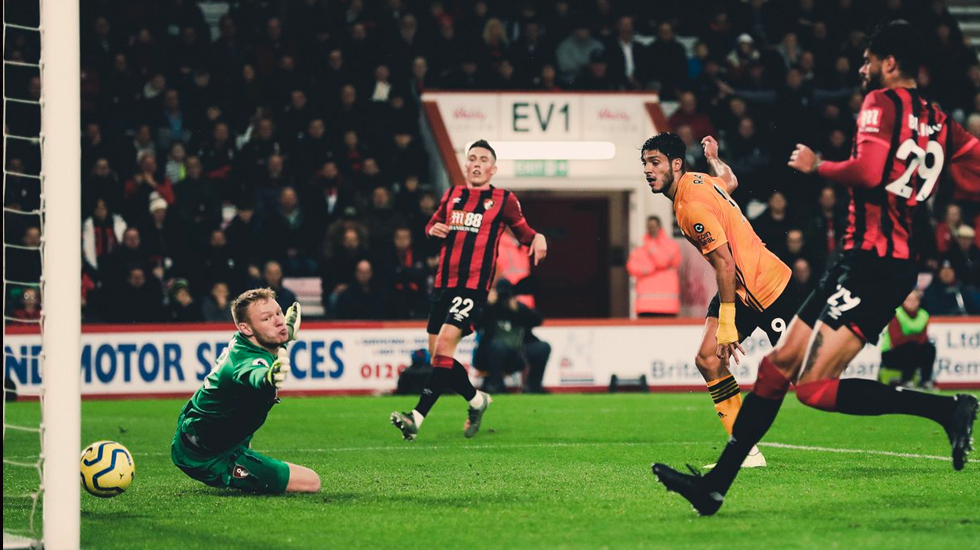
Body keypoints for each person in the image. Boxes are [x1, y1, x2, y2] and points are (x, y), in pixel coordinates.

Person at [653, 21, 980, 516]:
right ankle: (715, 487)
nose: (863, 68)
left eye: (869, 60)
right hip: (865, 262)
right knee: (774, 367)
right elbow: (972, 162)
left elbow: (867, 171)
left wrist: (817, 166)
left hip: (873, 263)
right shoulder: (939, 120)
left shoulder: (881, 103)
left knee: (812, 387)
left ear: (890, 63)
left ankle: (945, 409)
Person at [640, 132, 803, 469]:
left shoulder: (689, 207)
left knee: (812, 384)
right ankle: (745, 452)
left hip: (768, 290)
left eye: (654, 162)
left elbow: (725, 264)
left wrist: (727, 323)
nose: (647, 170)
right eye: (644, 163)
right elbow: (729, 180)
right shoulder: (700, 180)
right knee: (709, 359)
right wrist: (714, 157)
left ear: (675, 164)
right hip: (741, 288)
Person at [390, 139, 547, 440]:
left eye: (483, 159)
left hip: (473, 287)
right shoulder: (452, 195)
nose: (476, 163)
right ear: (465, 165)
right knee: (441, 358)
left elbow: (525, 233)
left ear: (493, 168)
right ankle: (477, 400)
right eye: (472, 158)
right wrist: (430, 229)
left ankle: (416, 417)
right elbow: (432, 225)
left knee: (444, 346)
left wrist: (538, 237)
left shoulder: (503, 200)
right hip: (443, 286)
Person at [171, 289, 319, 493]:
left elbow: (266, 343)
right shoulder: (246, 362)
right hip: (207, 455)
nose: (278, 321)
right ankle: (234, 468)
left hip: (202, 427)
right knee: (311, 482)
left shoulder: (249, 339)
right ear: (246, 328)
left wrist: (286, 333)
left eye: (278, 313)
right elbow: (251, 372)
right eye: (266, 318)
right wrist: (267, 379)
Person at [473, 279, 551, 394]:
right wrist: (487, 305)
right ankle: (495, 385)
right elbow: (476, 324)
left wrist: (519, 309)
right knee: (497, 346)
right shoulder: (490, 309)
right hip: (490, 354)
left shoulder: (517, 308)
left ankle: (534, 386)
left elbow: (537, 320)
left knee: (543, 347)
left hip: (517, 352)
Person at [878, 290, 935, 389]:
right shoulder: (896, 313)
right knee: (911, 348)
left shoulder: (923, 315)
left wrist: (910, 338)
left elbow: (923, 338)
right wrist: (914, 338)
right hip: (891, 353)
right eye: (908, 300)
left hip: (914, 350)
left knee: (930, 348)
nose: (912, 303)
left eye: (915, 300)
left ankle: (925, 380)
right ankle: (906, 380)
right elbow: (897, 339)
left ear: (919, 302)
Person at [626, 215, 681, 317]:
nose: (652, 229)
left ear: (660, 227)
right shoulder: (641, 250)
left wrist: (651, 246)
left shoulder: (671, 246)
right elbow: (631, 267)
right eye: (649, 226)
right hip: (645, 306)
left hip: (668, 307)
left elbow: (662, 261)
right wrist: (649, 268)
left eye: (654, 226)